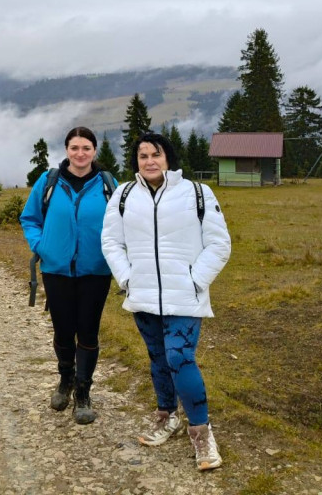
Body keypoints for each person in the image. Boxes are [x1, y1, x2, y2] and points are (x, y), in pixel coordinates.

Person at [101, 132, 231, 472]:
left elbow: (219, 244)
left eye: (155, 154)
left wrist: (195, 280)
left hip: (184, 297)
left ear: (168, 158)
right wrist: (127, 278)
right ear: (136, 163)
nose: (149, 161)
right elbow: (111, 242)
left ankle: (201, 432)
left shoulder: (197, 194)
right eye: (142, 156)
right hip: (143, 295)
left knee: (179, 358)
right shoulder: (123, 195)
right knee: (158, 357)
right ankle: (166, 416)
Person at [19, 127, 116, 424]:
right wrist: (42, 246)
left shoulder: (108, 185)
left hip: (96, 271)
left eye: (86, 147)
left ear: (94, 151)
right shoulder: (48, 182)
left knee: (87, 331)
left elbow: (123, 223)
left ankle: (83, 393)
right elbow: (30, 218)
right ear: (66, 150)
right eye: (75, 147)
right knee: (62, 331)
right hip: (56, 270)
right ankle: (66, 379)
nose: (80, 153)